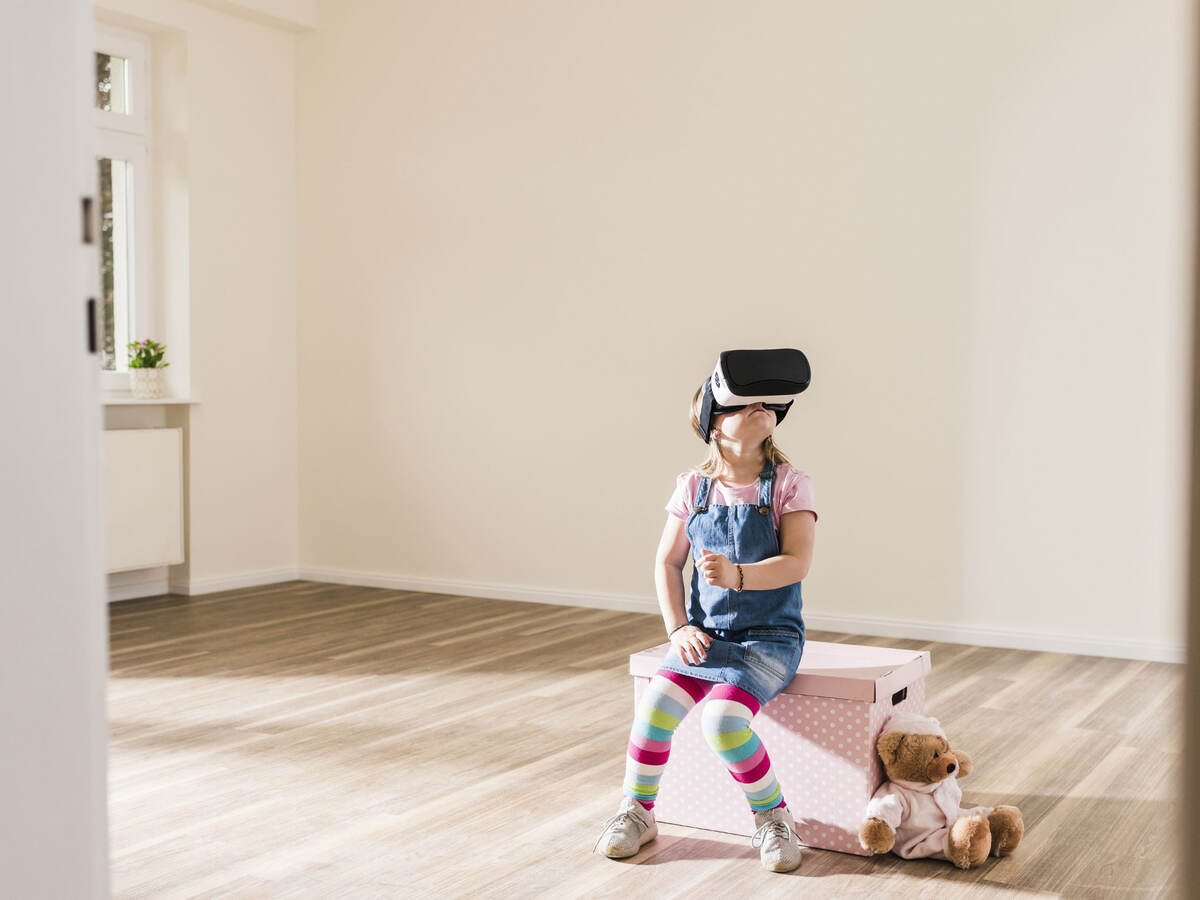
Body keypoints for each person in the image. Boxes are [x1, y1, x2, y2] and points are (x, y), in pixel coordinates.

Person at [593, 378, 818, 873]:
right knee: (653, 712)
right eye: (743, 404)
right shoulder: (693, 487)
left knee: (722, 722)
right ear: (713, 426)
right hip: (706, 636)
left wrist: (740, 575)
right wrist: (677, 629)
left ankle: (773, 816)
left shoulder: (787, 483)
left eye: (765, 402)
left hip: (769, 638)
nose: (760, 406)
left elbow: (797, 563)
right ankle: (638, 810)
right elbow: (668, 563)